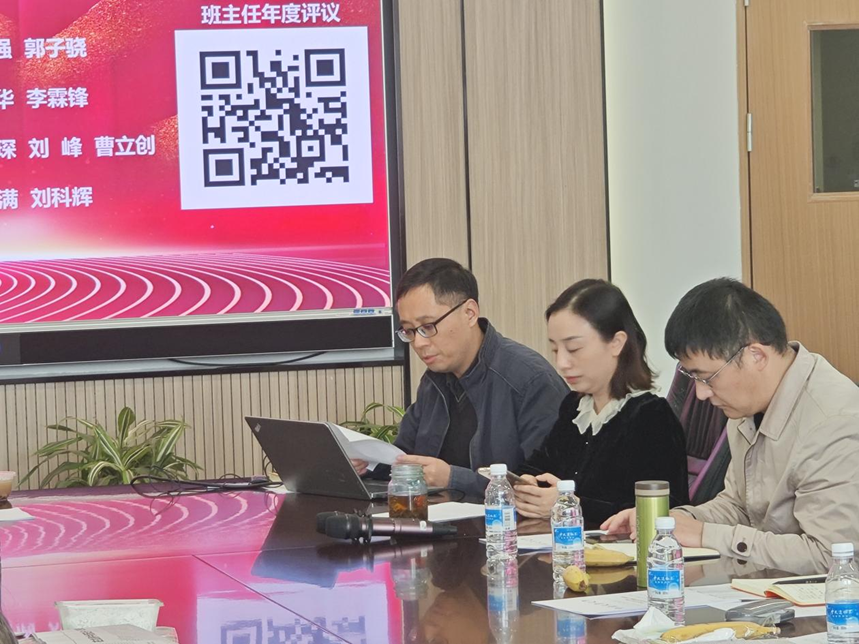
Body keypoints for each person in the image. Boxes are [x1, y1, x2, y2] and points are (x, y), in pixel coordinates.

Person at [602, 278, 859, 574]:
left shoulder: (833, 422)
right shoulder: (746, 408)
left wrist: (704, 534)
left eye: (707, 377)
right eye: (693, 378)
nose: (701, 394)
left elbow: (832, 557)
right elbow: (739, 506)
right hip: (762, 587)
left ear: (756, 356)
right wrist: (669, 523)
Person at [352, 258, 569, 496]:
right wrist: (368, 464)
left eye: (428, 327)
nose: (419, 343)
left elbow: (544, 486)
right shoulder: (434, 380)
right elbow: (404, 457)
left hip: (502, 519)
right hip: (434, 515)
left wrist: (454, 479)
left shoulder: (529, 381)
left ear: (469, 313)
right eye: (409, 331)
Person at [513, 279, 689, 525]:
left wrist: (572, 505)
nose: (562, 363)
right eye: (555, 350)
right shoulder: (574, 408)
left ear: (616, 343)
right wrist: (527, 484)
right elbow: (539, 465)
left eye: (574, 348)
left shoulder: (651, 417)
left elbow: (664, 510)